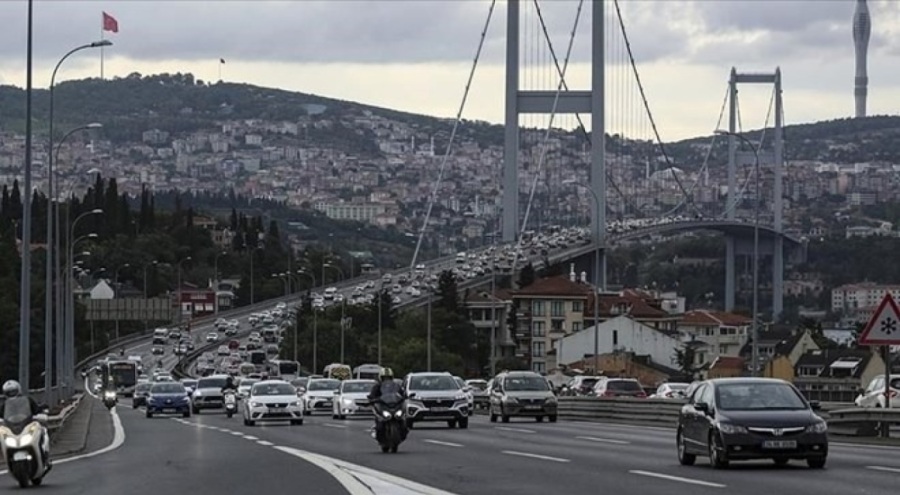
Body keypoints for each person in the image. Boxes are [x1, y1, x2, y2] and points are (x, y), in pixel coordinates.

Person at [0, 381, 50, 468]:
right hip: (12, 428)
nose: (12, 394)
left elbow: (37, 410)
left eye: (13, 391)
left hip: (27, 425)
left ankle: (44, 455)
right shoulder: (5, 405)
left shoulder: (27, 400)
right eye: (9, 392)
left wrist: (41, 411)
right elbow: (1, 415)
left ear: (18, 390)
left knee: (41, 432)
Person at [367, 368, 406, 442]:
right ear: (381, 378)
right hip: (383, 406)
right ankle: (377, 431)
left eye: (388, 377)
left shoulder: (396, 386)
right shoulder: (377, 387)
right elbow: (372, 396)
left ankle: (403, 430)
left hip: (393, 405)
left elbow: (401, 393)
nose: (386, 379)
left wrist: (404, 397)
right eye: (384, 377)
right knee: (379, 419)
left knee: (403, 418)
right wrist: (372, 399)